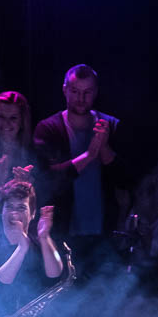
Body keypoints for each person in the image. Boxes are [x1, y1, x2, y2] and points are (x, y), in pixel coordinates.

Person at [32, 64, 119, 242]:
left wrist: (103, 146)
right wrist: (88, 156)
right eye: (75, 91)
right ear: (65, 90)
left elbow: (124, 179)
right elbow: (46, 178)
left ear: (96, 92)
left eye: (87, 92)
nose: (81, 98)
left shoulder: (111, 124)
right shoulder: (48, 128)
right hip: (63, 230)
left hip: (104, 231)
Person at [0, 179, 63, 317]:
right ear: (1, 212)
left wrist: (44, 237)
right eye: (9, 207)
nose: (14, 213)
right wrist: (22, 248)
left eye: (21, 208)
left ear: (32, 214)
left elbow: (55, 274)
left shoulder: (41, 244)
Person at [0, 89, 36, 190]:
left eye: (13, 118)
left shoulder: (35, 154)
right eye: (1, 117)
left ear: (22, 121)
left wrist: (28, 185)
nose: (6, 123)